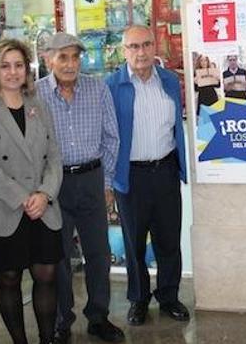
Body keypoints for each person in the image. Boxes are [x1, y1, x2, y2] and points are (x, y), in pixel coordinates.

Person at [0, 39, 64, 344]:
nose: (12, 72)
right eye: (5, 65)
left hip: (42, 206)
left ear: (27, 69)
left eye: (19, 65)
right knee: (9, 277)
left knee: (46, 274)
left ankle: (47, 340)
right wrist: (23, 198)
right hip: (4, 208)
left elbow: (54, 156)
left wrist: (45, 194)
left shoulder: (38, 104)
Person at [36, 32, 123, 344]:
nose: (70, 64)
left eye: (75, 57)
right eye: (62, 57)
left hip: (91, 179)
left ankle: (98, 317)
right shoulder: (35, 94)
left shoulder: (97, 88)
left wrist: (108, 183)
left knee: (98, 253)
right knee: (58, 255)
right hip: (54, 184)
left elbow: (111, 137)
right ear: (48, 60)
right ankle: (62, 319)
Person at [106, 25, 190, 326]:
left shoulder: (169, 80)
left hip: (165, 170)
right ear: (123, 50)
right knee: (134, 243)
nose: (140, 53)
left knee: (169, 239)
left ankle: (168, 296)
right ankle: (139, 300)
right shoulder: (112, 85)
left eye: (145, 45)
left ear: (155, 47)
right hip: (131, 176)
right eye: (133, 47)